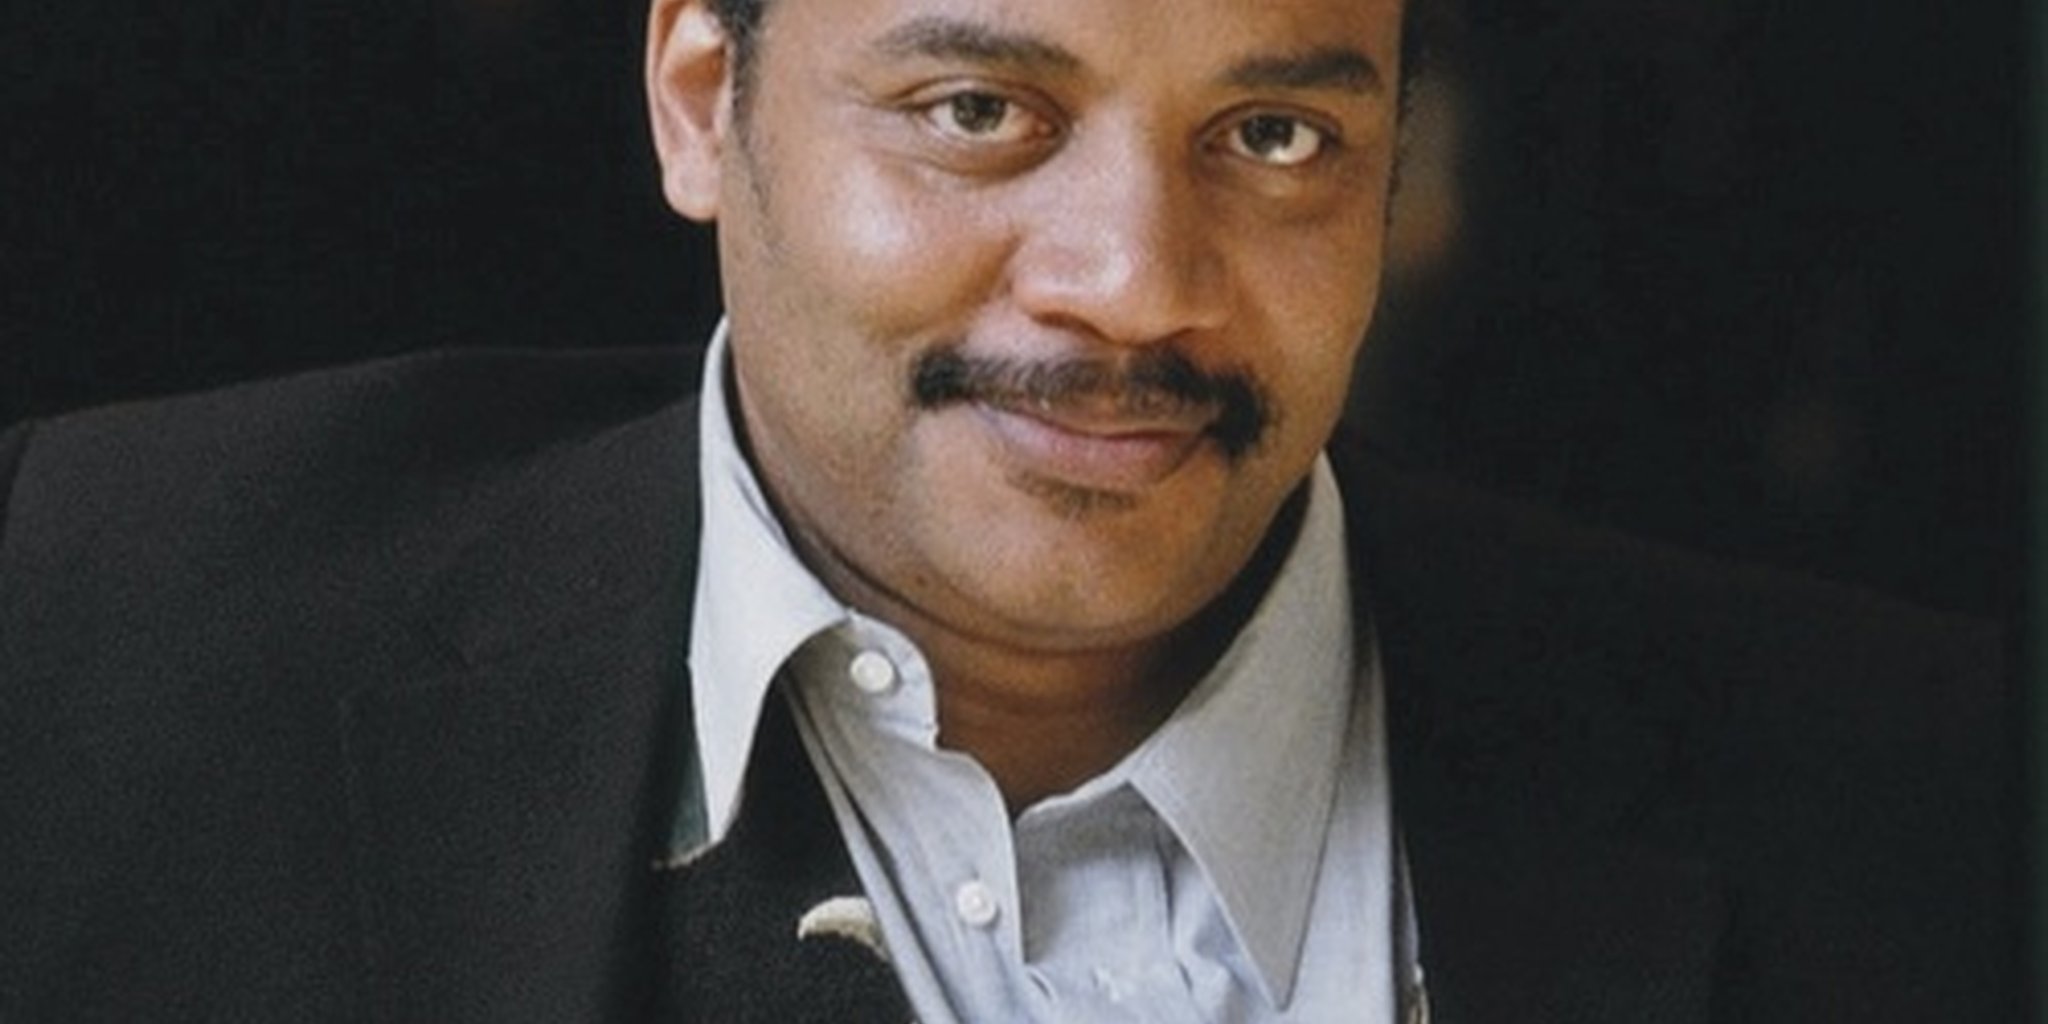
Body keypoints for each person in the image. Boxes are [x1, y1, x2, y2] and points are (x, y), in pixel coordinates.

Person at [0, 0, 2017, 1021]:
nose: (1134, 282)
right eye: (980, 113)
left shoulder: (1932, 800)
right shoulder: (93, 635)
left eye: (1274, 134)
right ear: (701, 96)